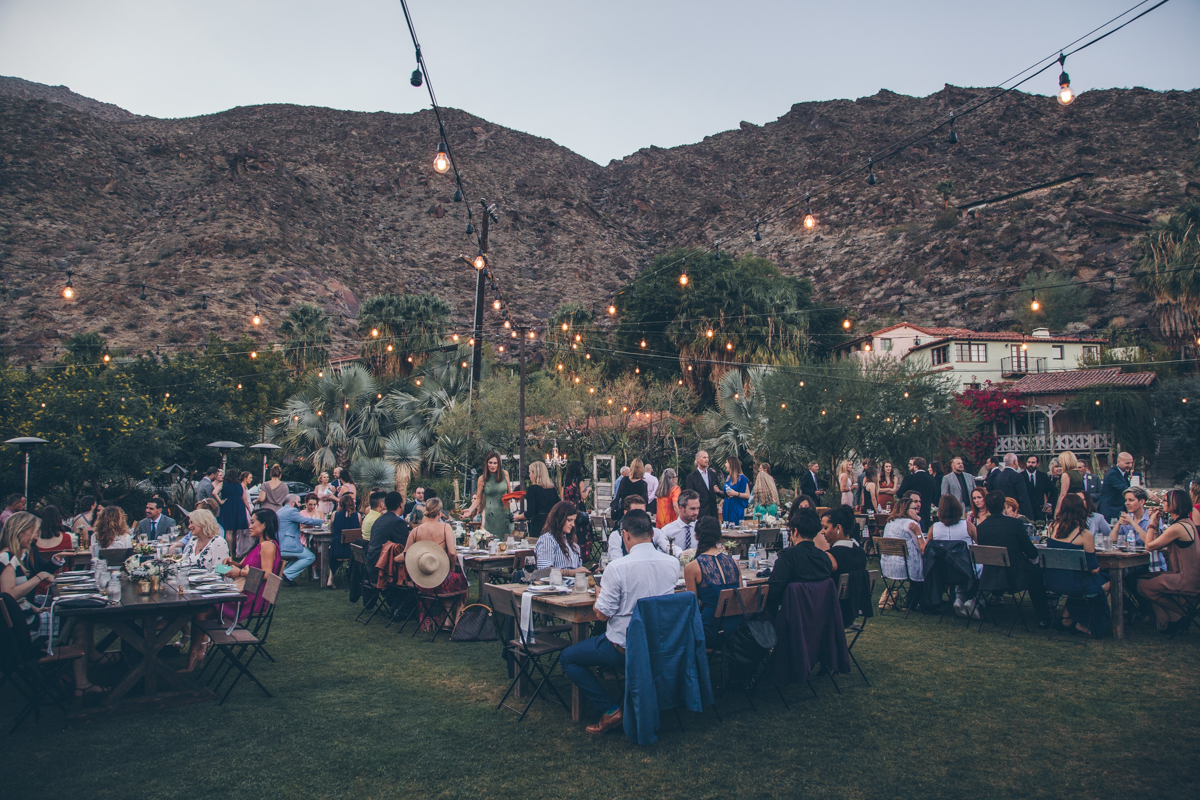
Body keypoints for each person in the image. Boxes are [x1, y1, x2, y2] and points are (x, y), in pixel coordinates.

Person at [559, 510, 679, 734]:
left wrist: (598, 595)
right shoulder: (672, 563)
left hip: (625, 646)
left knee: (568, 658)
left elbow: (602, 615)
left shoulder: (618, 567)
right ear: (652, 533)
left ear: (625, 535)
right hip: (660, 643)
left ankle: (610, 709)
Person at [1, 512, 101, 697]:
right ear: (21, 531)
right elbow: (8, 596)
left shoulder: (12, 556)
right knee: (79, 620)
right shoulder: (7, 559)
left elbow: (14, 599)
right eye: (34, 532)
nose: (36, 537)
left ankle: (88, 664)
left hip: (25, 619)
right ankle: (82, 683)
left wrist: (35, 607)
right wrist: (39, 577)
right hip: (24, 630)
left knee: (78, 615)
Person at [975, 490, 1051, 628]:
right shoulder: (1014, 524)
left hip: (990, 575)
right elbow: (1031, 552)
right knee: (1038, 574)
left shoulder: (980, 528)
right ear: (1004, 505)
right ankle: (1043, 616)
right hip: (1015, 575)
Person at [1045, 494, 1110, 636]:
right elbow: (1093, 568)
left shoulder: (1052, 527)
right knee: (1105, 583)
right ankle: (1085, 623)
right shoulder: (1084, 534)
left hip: (1052, 580)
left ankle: (1067, 617)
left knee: (1085, 581)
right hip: (1075, 583)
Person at [1136, 490, 1200, 633]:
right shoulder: (1187, 523)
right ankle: (1173, 621)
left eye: (1165, 500)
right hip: (1191, 576)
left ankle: (1181, 614)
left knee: (1142, 585)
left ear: (1175, 504)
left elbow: (1149, 546)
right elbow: (1158, 543)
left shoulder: (1177, 527)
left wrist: (1152, 523)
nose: (1162, 502)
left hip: (1185, 579)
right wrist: (1157, 522)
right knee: (1148, 578)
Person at [401, 498, 469, 630]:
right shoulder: (445, 527)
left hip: (422, 581)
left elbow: (405, 554)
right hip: (440, 580)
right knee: (462, 584)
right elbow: (452, 553)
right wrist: (451, 567)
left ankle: (448, 620)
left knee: (450, 584)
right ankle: (456, 622)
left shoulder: (416, 531)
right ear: (439, 513)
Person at [683, 516, 741, 648]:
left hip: (711, 630)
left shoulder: (692, 567)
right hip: (736, 628)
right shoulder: (734, 563)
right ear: (719, 536)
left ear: (696, 536)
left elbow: (692, 606)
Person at [767, 508, 835, 617]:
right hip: (819, 617)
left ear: (795, 531)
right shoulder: (824, 558)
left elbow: (773, 589)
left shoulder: (788, 556)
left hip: (791, 617)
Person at [879, 495, 927, 610]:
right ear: (906, 509)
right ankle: (917, 603)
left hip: (887, 566)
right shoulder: (911, 524)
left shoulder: (890, 522)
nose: (916, 511)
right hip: (906, 568)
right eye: (914, 509)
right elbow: (923, 548)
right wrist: (920, 533)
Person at [460, 451, 512, 540]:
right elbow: (478, 499)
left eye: (495, 463)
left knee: (507, 542)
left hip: (504, 515)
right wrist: (470, 510)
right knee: (491, 542)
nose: (492, 465)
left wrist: (510, 502)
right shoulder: (482, 479)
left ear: (498, 464)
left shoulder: (505, 474)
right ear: (486, 464)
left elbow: (509, 494)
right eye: (490, 463)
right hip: (490, 516)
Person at [275, 494, 324, 586]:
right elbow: (307, 521)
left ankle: (283, 574)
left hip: (280, 544)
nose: (300, 504)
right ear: (292, 503)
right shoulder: (291, 511)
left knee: (302, 555)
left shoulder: (280, 510)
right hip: (287, 546)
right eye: (298, 502)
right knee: (310, 556)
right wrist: (323, 521)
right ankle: (287, 574)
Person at [609, 496, 673, 559]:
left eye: (643, 513)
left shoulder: (656, 532)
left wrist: (680, 554)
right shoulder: (617, 536)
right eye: (635, 513)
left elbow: (667, 545)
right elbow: (616, 559)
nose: (640, 516)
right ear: (626, 513)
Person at [535, 500, 589, 576]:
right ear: (558, 519)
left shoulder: (571, 541)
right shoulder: (548, 540)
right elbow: (544, 570)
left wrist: (588, 571)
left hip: (574, 583)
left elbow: (577, 568)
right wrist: (571, 572)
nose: (573, 525)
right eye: (569, 520)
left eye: (574, 521)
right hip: (556, 584)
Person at [366, 491, 409, 585]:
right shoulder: (398, 522)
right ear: (401, 505)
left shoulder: (379, 520)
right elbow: (405, 548)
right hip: (384, 570)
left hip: (371, 567)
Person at [515, 461, 559, 539]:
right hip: (552, 524)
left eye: (530, 473)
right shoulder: (552, 489)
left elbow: (530, 513)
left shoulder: (532, 489)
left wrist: (518, 517)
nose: (529, 476)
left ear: (535, 474)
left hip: (538, 525)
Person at [217, 467, 253, 558]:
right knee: (235, 532)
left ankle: (229, 553)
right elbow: (244, 498)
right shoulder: (239, 485)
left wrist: (220, 501)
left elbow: (214, 492)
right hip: (238, 507)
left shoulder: (223, 484)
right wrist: (249, 510)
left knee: (228, 531)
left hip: (227, 506)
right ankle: (234, 551)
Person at [822, 505, 866, 578]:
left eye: (825, 528)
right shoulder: (861, 552)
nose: (822, 532)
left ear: (838, 528)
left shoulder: (831, 556)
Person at [329, 494, 362, 587]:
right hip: (352, 551)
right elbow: (359, 531)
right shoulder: (358, 515)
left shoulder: (334, 514)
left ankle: (330, 578)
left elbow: (331, 530)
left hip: (337, 550)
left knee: (331, 550)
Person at [897, 457, 938, 530]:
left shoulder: (909, 478)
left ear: (915, 466)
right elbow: (934, 497)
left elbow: (899, 493)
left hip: (910, 515)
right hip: (925, 514)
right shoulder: (932, 481)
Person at [684, 451, 725, 521]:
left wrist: (719, 491)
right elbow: (689, 497)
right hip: (700, 514)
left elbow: (721, 493)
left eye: (707, 457)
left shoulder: (713, 474)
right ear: (697, 459)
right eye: (704, 457)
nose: (707, 460)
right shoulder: (691, 477)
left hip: (713, 513)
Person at [659, 490, 701, 555]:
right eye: (692, 509)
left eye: (697, 508)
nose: (696, 512)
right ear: (681, 508)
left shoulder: (702, 528)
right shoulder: (667, 531)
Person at [995, 453, 1034, 519]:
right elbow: (1023, 497)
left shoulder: (998, 476)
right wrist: (1029, 516)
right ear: (1014, 461)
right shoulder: (1017, 476)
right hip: (1015, 511)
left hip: (1003, 511)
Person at [1098, 451, 1134, 519]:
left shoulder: (1124, 473)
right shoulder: (1112, 474)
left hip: (1119, 508)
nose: (1130, 465)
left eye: (1131, 463)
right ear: (1119, 462)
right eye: (1127, 463)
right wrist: (1145, 492)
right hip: (1110, 510)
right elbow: (1125, 489)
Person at [614, 459, 649, 523]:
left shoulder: (624, 480)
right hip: (637, 513)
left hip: (623, 511)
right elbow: (645, 500)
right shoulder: (643, 484)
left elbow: (618, 495)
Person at [1021, 455, 1053, 522]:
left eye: (1033, 462)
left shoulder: (1043, 476)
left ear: (1037, 464)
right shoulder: (1020, 476)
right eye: (1029, 462)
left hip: (1040, 511)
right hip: (1025, 511)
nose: (1030, 464)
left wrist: (1049, 503)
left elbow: (1053, 490)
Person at [722, 456, 751, 525]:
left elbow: (747, 495)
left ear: (731, 464)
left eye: (726, 462)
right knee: (726, 525)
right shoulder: (728, 478)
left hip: (736, 506)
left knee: (735, 525)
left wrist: (736, 493)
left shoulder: (742, 478)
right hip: (727, 505)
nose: (725, 464)